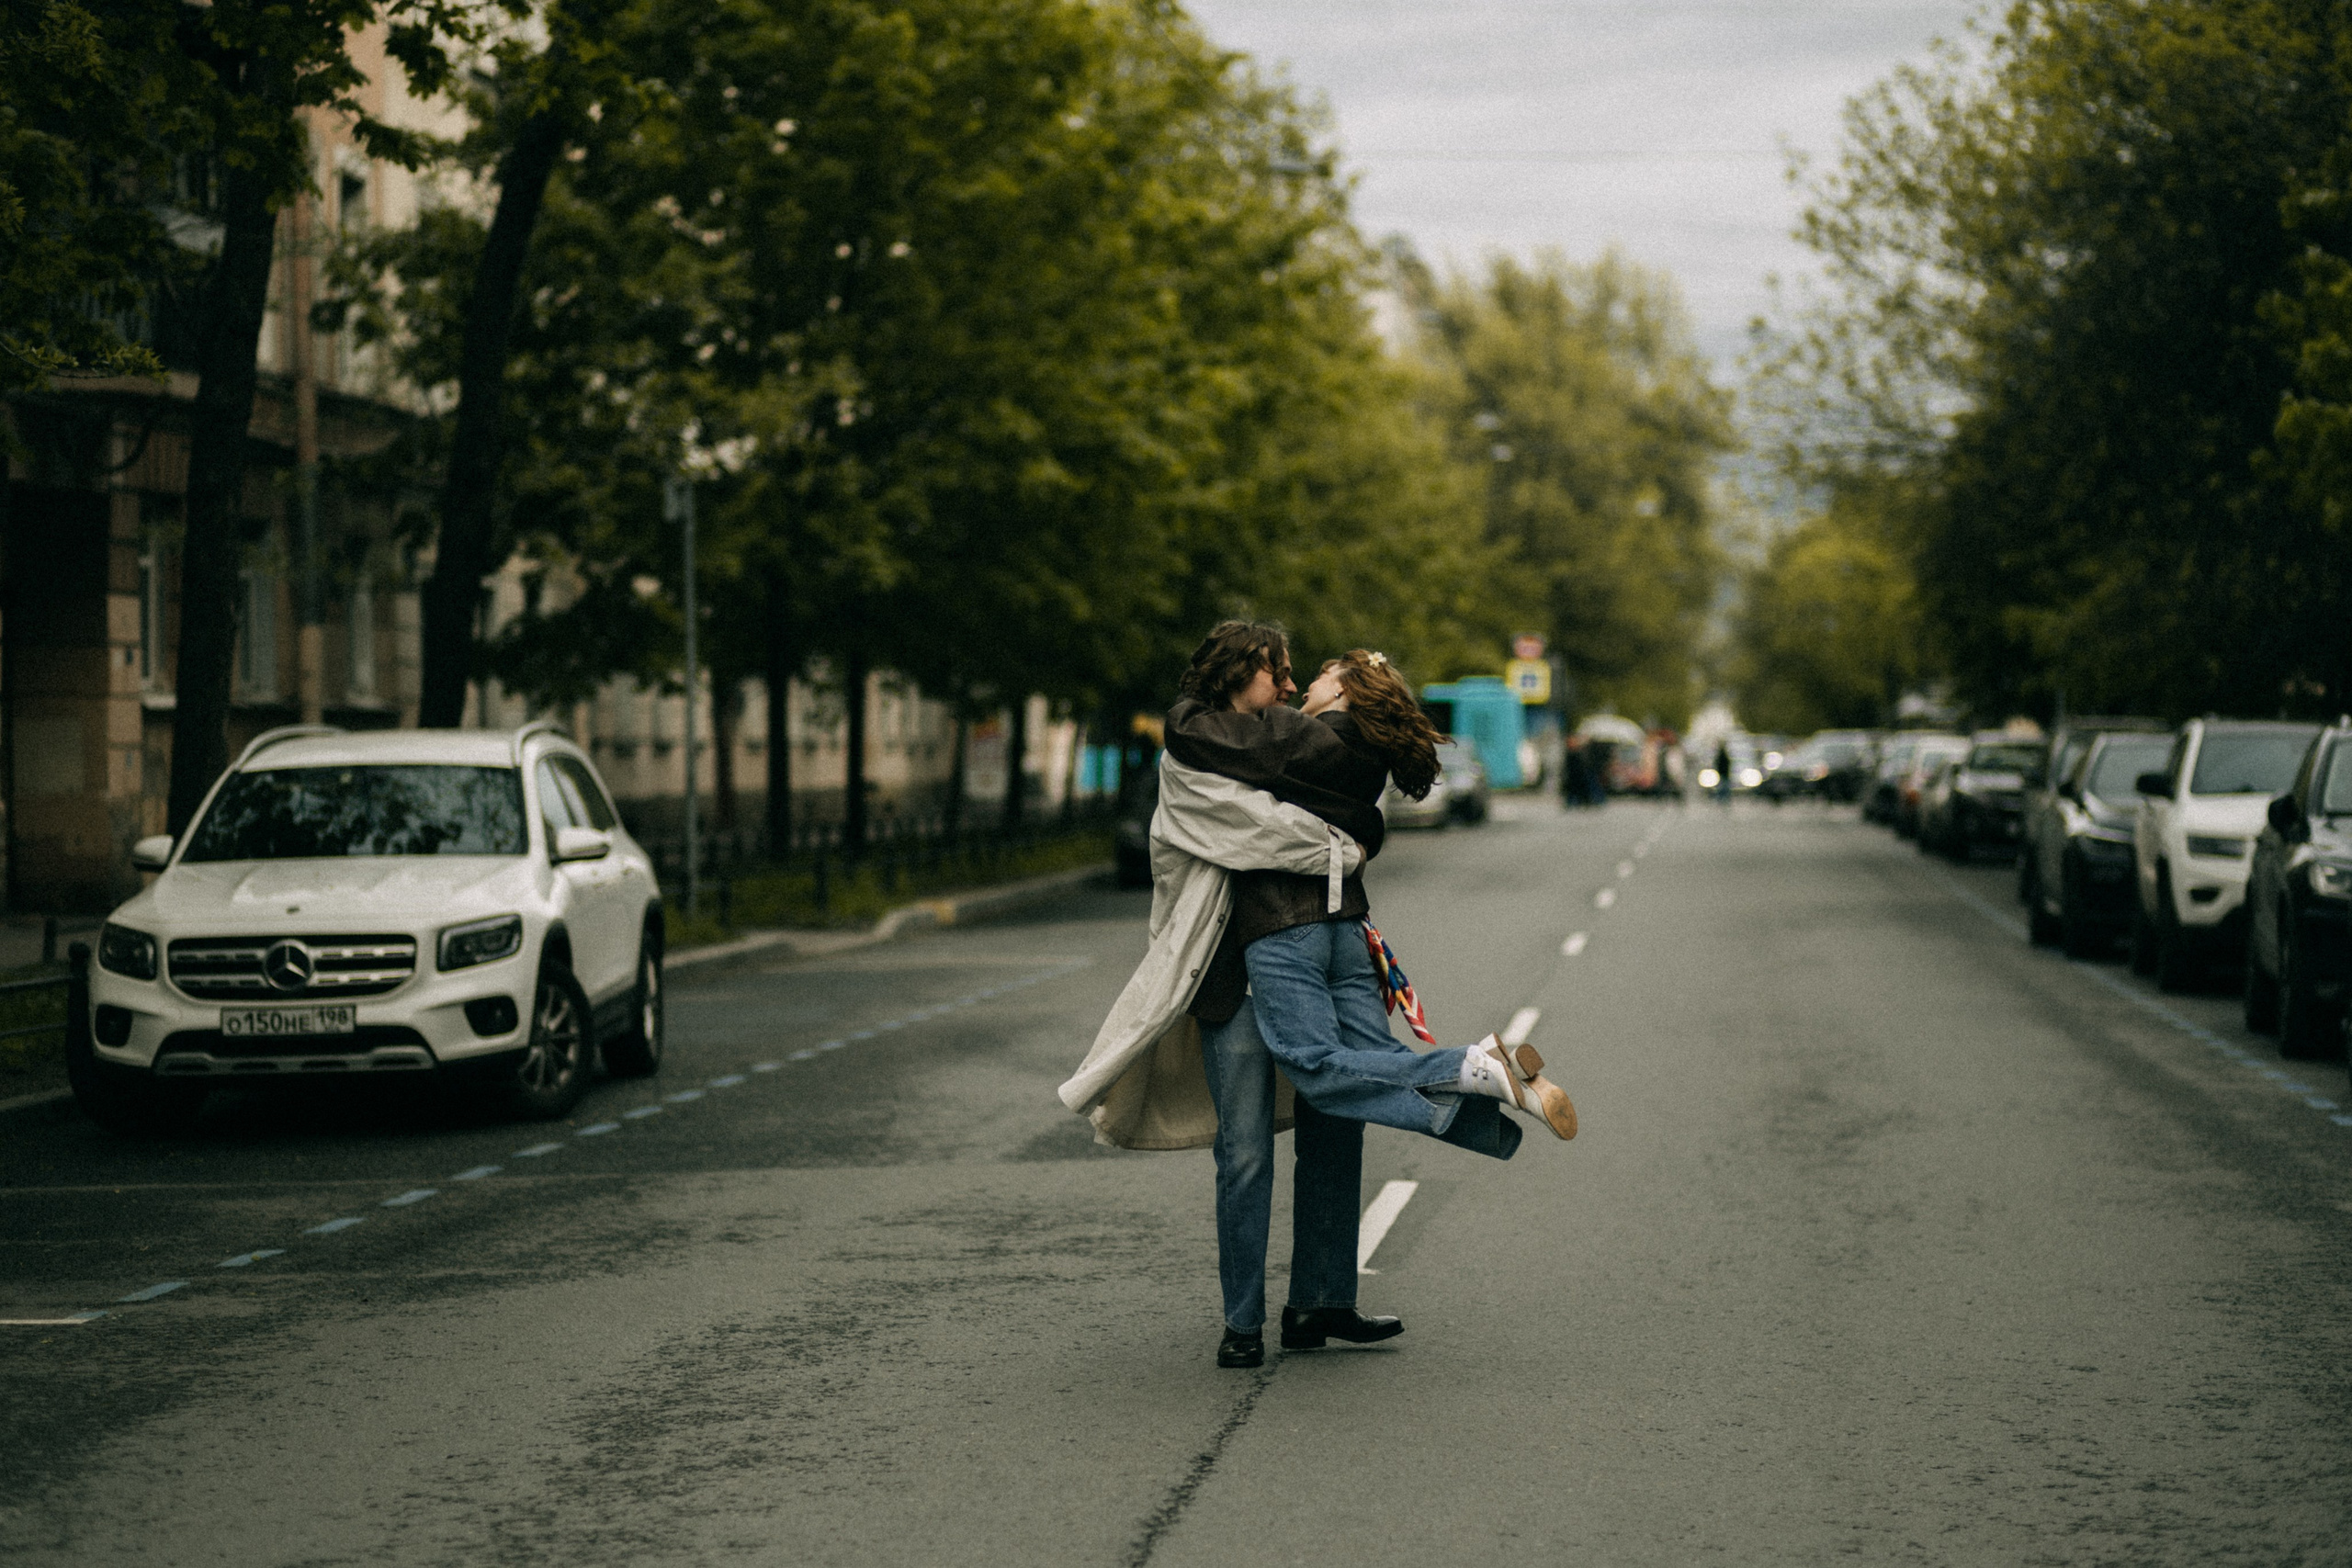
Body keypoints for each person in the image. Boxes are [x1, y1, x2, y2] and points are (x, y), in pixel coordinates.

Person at [1060, 623, 1576, 1371]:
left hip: (1318, 933)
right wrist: (1346, 836)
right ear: (1245, 673)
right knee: (1244, 1151)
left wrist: (1346, 828)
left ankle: (1320, 1301)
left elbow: (1312, 802)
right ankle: (1243, 1322)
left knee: (1338, 1119)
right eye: (1282, 674)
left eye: (1305, 675)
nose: (1294, 687)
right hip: (1234, 960)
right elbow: (1267, 836)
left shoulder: (1279, 741)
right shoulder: (1197, 755)